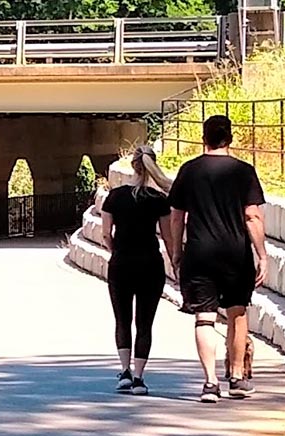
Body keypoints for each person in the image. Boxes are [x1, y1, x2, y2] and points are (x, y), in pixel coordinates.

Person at [166, 115, 269, 403]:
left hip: (199, 253)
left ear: (204, 138)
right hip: (235, 253)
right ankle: (236, 377)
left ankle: (210, 383)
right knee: (237, 313)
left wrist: (176, 252)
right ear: (230, 138)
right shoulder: (243, 171)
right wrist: (262, 254)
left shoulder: (189, 170)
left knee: (204, 318)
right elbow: (252, 216)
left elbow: (177, 217)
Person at [100, 144, 175, 396]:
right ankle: (140, 377)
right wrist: (177, 262)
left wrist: (115, 249)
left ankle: (124, 372)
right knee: (145, 323)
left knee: (122, 320)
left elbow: (105, 234)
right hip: (150, 265)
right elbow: (167, 237)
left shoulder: (115, 197)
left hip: (121, 264)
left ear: (133, 165)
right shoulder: (159, 200)